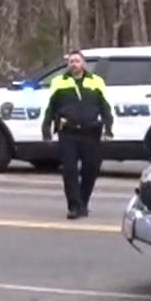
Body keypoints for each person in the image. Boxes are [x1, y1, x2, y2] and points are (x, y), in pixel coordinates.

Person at [41, 49, 114, 219]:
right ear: (68, 65)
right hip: (68, 133)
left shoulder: (96, 82)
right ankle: (74, 206)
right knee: (69, 170)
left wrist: (108, 128)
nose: (74, 64)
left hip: (91, 133)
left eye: (77, 61)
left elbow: (105, 107)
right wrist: (46, 129)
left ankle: (83, 202)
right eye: (71, 61)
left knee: (91, 169)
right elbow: (51, 108)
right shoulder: (59, 82)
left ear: (84, 64)